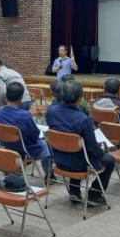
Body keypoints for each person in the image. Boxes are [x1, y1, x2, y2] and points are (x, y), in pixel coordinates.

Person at [46, 78, 114, 206]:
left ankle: (74, 191)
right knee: (109, 160)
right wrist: (103, 151)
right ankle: (94, 196)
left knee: (75, 149)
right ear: (79, 98)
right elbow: (93, 149)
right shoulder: (83, 119)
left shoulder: (51, 111)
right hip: (79, 164)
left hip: (58, 160)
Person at [0, 82, 51, 178]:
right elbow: (35, 135)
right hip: (26, 150)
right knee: (47, 143)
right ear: (21, 98)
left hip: (7, 147)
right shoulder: (25, 115)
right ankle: (49, 175)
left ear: (6, 95)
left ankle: (16, 171)